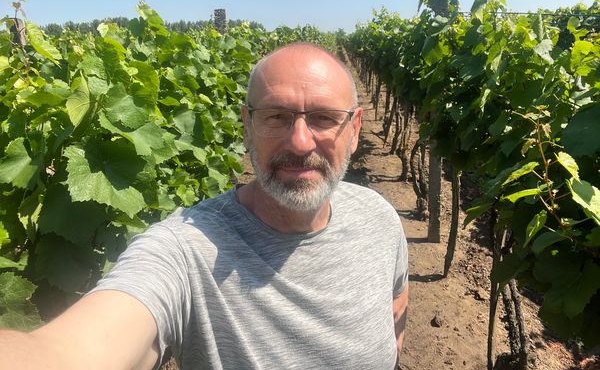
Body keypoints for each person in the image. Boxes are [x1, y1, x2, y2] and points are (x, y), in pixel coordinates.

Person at [0, 42, 409, 369]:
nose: (300, 142)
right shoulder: (186, 252)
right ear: (247, 126)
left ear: (354, 129)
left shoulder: (379, 219)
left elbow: (395, 315)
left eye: (323, 118)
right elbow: (75, 351)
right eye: (276, 116)